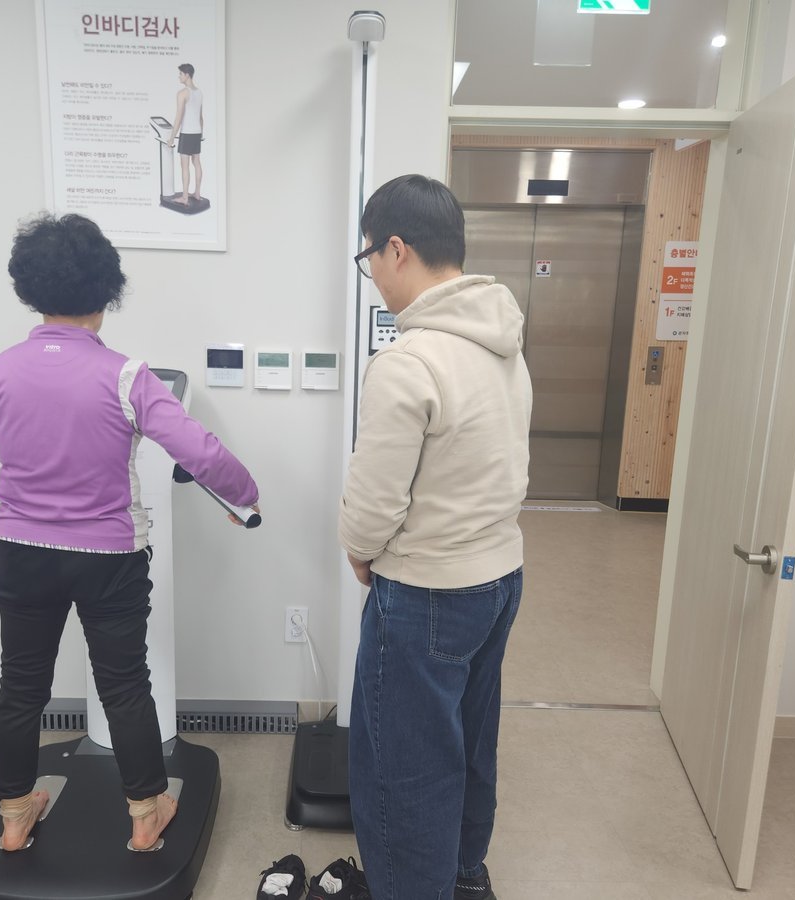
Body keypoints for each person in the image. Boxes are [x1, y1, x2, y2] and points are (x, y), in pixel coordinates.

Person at [0, 212, 258, 853]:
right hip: (109, 559)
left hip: (23, 554)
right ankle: (146, 813)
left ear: (29, 290)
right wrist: (244, 495)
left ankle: (14, 815)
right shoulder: (127, 376)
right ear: (106, 292)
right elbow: (201, 451)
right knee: (123, 684)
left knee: (21, 686)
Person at [340, 175, 531, 900]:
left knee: (404, 766)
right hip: (499, 577)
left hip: (427, 592)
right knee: (470, 740)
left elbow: (374, 502)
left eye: (369, 257)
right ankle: (465, 876)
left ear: (396, 249)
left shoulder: (409, 360)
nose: (374, 274)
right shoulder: (504, 343)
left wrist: (360, 551)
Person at [169, 63, 204, 204]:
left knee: (185, 166)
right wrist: (200, 134)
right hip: (196, 133)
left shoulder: (182, 93)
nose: (179, 77)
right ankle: (197, 193)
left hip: (187, 133)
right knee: (196, 162)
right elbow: (201, 117)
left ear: (187, 75)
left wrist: (171, 138)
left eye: (180, 74)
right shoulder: (199, 92)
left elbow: (178, 118)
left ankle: (184, 197)